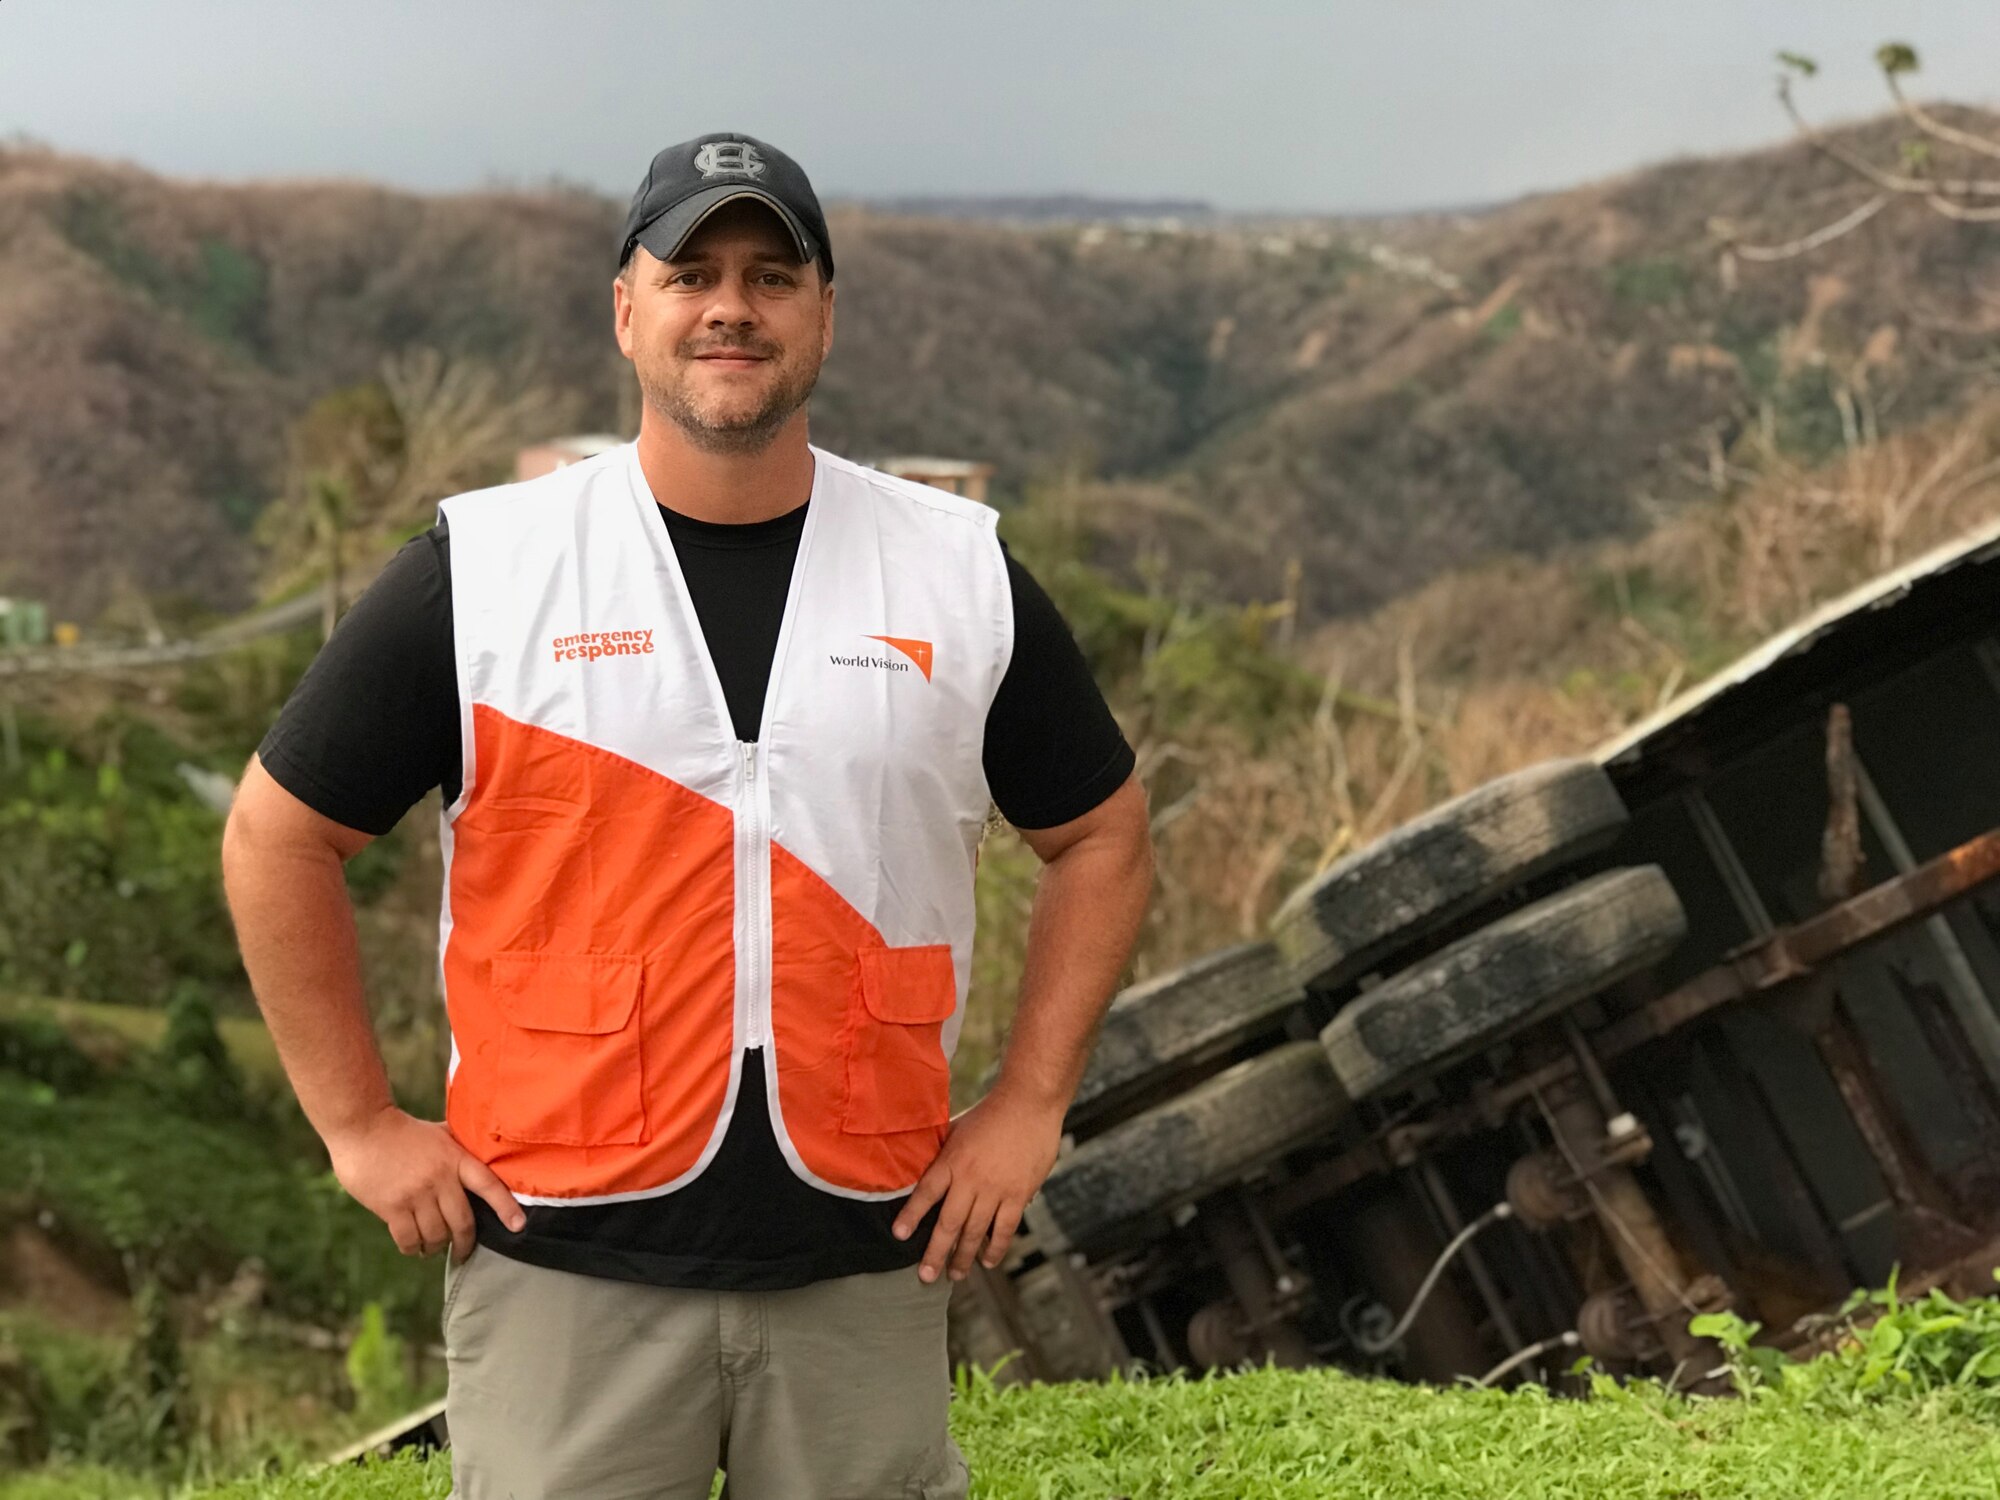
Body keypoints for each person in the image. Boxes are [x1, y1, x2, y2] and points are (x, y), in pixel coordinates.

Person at [220, 131, 1154, 1500]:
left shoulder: (956, 571)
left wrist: (1029, 1102)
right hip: (562, 1263)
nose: (732, 305)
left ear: (824, 312)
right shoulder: (485, 571)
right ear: (627, 310)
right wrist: (360, 1126)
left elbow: (1103, 835)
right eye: (692, 272)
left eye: (773, 275)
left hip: (862, 1254)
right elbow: (275, 836)